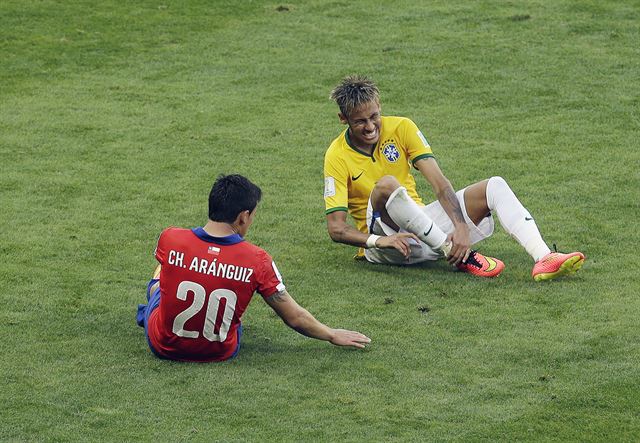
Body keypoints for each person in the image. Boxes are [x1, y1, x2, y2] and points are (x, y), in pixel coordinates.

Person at [323, 75, 584, 280]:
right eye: (360, 122)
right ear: (342, 119)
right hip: (386, 245)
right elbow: (336, 228)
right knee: (388, 185)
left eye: (374, 117)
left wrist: (460, 227)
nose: (370, 127)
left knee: (494, 185)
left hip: (423, 232)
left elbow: (438, 182)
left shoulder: (402, 127)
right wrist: (381, 240)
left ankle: (544, 258)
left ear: (379, 107)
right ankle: (463, 257)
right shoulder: (336, 155)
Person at [137, 174, 370, 362]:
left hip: (164, 346)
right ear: (243, 216)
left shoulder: (171, 238)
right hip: (219, 352)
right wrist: (331, 334)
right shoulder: (257, 259)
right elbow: (294, 317)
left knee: (160, 280)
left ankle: (147, 309)